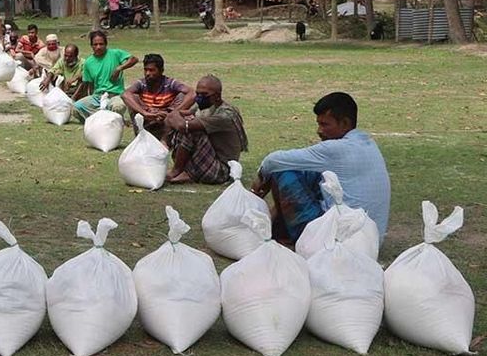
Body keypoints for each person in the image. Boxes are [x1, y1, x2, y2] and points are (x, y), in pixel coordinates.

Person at [252, 92, 391, 244]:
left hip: (337, 240)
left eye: (325, 125)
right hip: (372, 241)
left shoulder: (335, 150)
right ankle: (278, 226)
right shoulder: (368, 143)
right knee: (306, 171)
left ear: (345, 124)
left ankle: (285, 234)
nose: (319, 131)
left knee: (282, 172)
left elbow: (273, 161)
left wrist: (260, 180)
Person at [162, 75, 247, 184]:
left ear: (217, 95)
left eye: (204, 94)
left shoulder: (225, 115)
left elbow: (183, 125)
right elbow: (177, 115)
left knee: (190, 130)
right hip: (208, 158)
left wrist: (177, 117)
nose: (200, 97)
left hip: (222, 169)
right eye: (197, 94)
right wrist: (165, 139)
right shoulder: (204, 106)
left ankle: (177, 171)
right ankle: (188, 172)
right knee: (184, 125)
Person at [71, 30, 138, 122]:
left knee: (118, 107)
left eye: (101, 44)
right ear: (91, 46)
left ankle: (107, 118)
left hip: (115, 95)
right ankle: (99, 119)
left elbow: (134, 59)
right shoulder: (88, 62)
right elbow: (88, 84)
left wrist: (119, 68)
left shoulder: (115, 54)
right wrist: (77, 97)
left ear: (106, 44)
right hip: (98, 96)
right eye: (95, 44)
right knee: (76, 108)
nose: (98, 47)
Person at [121, 53, 194, 137]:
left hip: (167, 120)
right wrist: (145, 113)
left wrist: (174, 113)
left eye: (151, 70)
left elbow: (192, 93)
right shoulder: (141, 83)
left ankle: (170, 136)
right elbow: (125, 95)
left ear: (161, 70)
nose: (147, 73)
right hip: (148, 118)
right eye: (145, 70)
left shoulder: (170, 83)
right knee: (132, 98)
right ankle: (140, 136)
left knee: (183, 96)